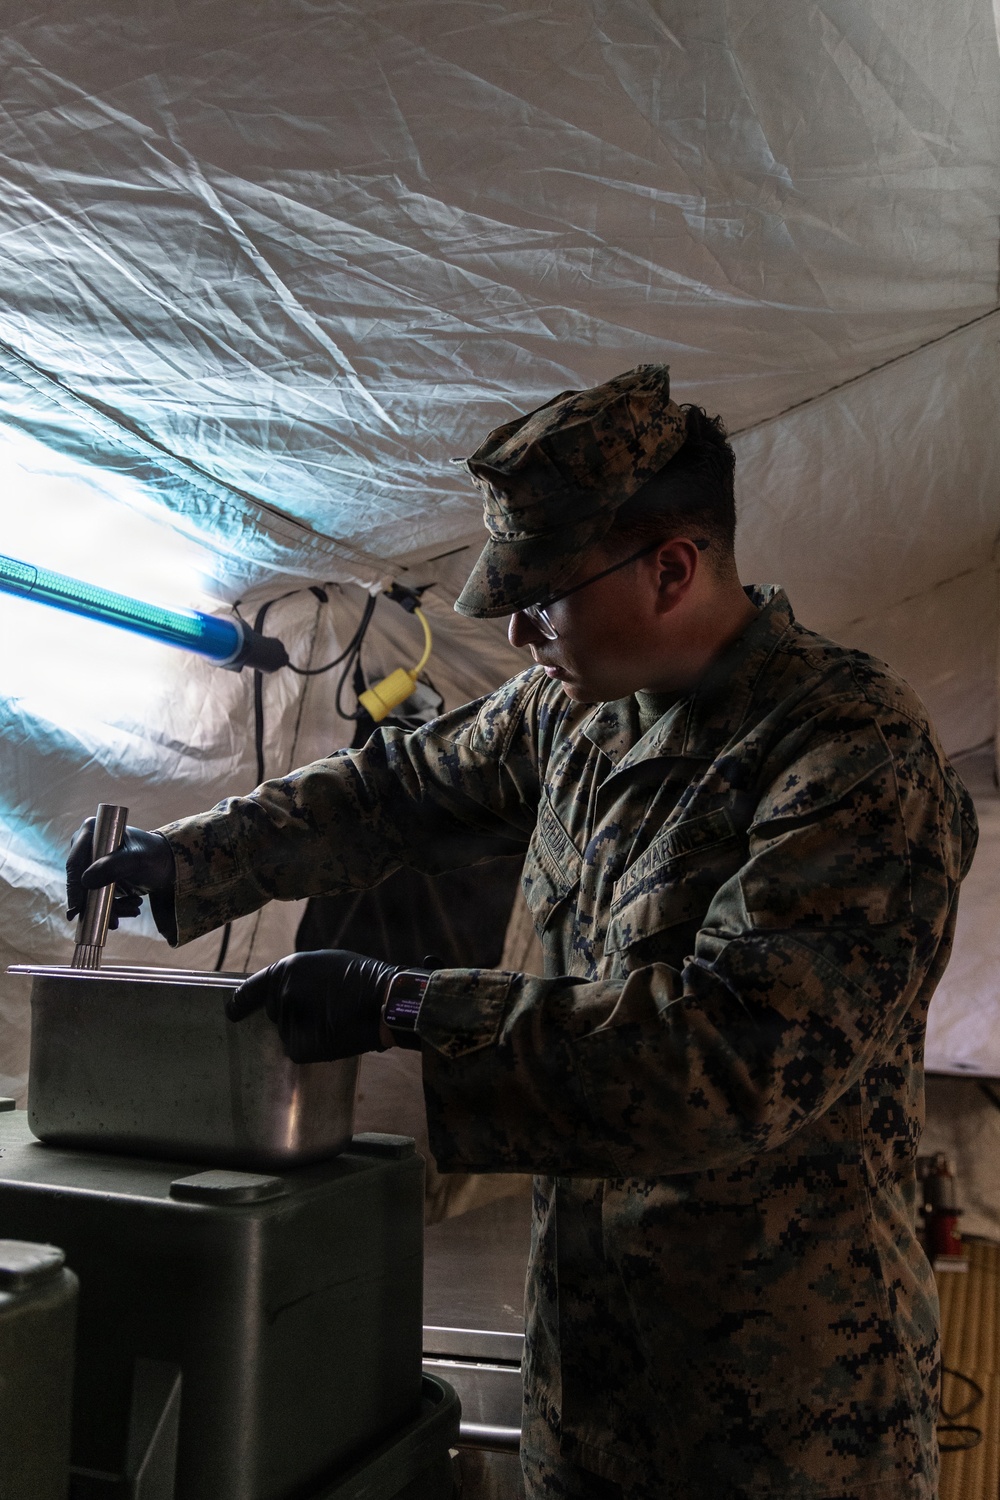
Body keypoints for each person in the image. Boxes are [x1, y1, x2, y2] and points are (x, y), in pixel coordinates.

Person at [67, 365, 977, 1500]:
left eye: (543, 596)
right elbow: (395, 789)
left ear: (671, 569)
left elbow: (729, 1057)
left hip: (785, 1425)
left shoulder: (850, 753)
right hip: (588, 1379)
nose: (514, 628)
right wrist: (191, 856)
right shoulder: (574, 715)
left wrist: (403, 1004)